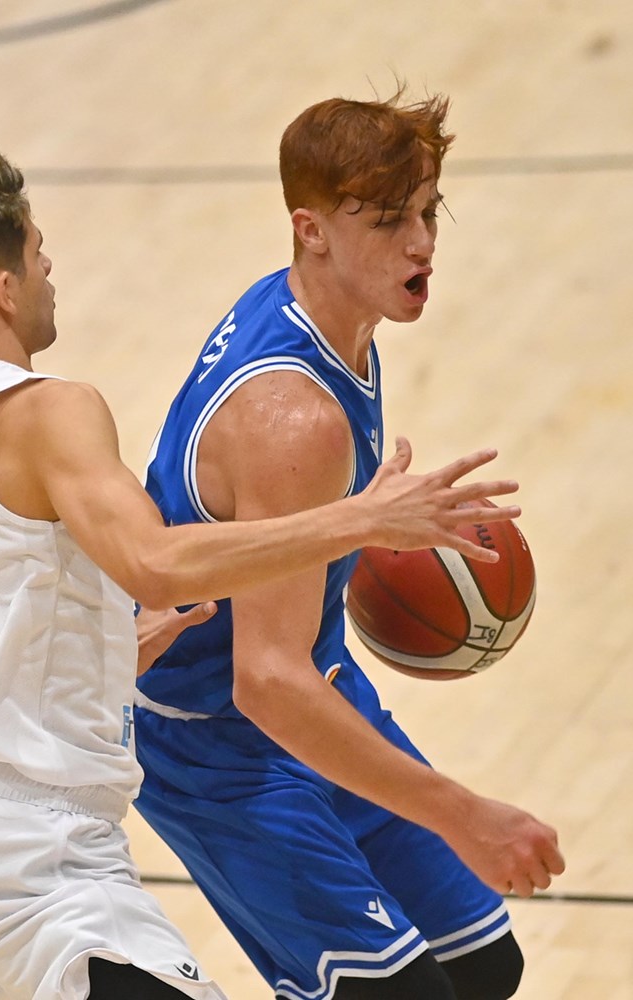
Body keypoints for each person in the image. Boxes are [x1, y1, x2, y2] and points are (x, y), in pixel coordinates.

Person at [0, 131, 521, 1000]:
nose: (51, 266)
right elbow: (156, 562)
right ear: (3, 289)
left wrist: (107, 648)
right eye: (37, 250)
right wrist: (363, 517)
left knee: (474, 968)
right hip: (40, 855)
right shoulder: (51, 411)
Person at [132, 90, 565, 1000]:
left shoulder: (329, 316)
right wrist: (466, 813)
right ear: (311, 229)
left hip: (312, 683)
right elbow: (264, 680)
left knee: (481, 967)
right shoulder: (294, 416)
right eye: (386, 221)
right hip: (216, 742)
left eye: (425, 211)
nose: (420, 243)